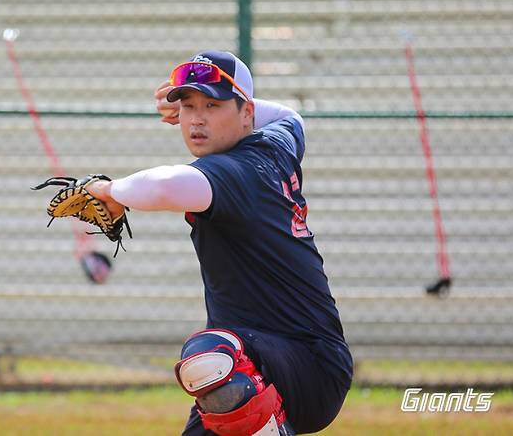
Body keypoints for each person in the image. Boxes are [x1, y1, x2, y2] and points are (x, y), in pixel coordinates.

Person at [86, 50, 353, 435]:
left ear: (246, 114)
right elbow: (290, 117)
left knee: (209, 356)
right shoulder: (274, 145)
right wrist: (230, 101)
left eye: (212, 105)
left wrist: (109, 190)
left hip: (304, 365)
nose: (196, 118)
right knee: (214, 360)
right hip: (256, 369)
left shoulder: (236, 171)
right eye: (188, 105)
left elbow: (164, 185)